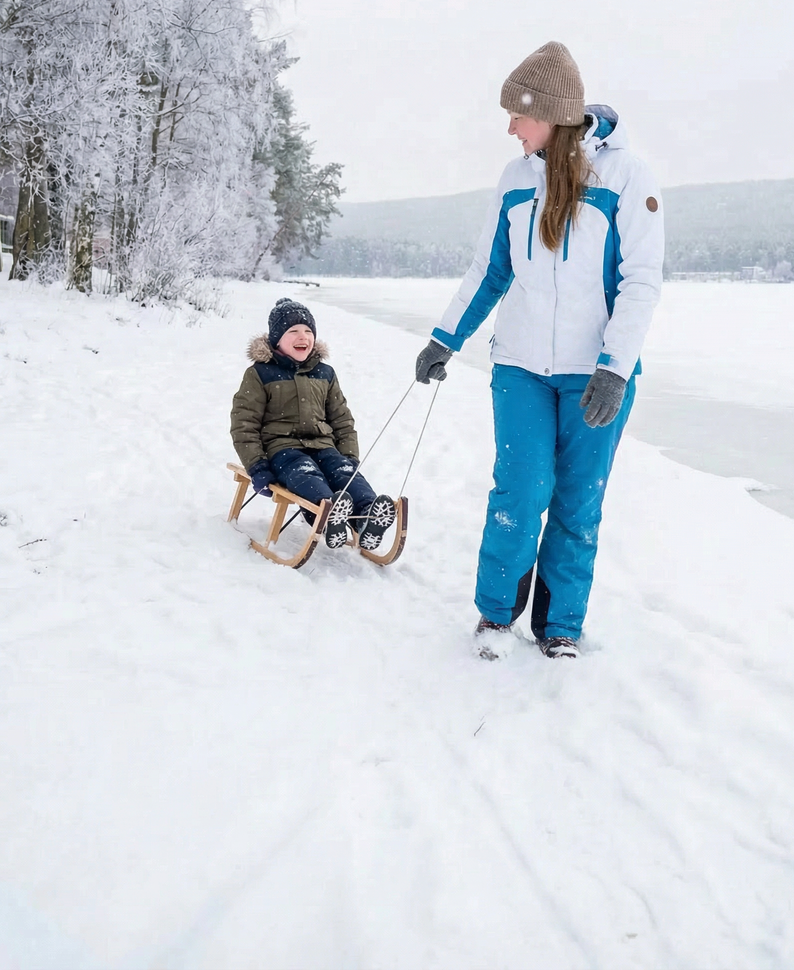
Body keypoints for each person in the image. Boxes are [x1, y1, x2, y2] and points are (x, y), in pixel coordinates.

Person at [415, 42, 664, 659]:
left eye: (517, 115)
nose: (509, 128)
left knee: (578, 501)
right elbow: (489, 270)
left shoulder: (626, 176)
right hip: (520, 367)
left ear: (550, 113)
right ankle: (496, 615)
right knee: (521, 491)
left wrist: (614, 368)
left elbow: (642, 281)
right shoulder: (516, 179)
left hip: (595, 376)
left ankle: (560, 628)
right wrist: (445, 338)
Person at [231, 298, 396, 551]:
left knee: (343, 472)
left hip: (323, 444)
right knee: (304, 472)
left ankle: (368, 517)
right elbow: (244, 424)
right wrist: (257, 467)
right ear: (276, 339)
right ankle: (328, 514)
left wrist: (349, 455)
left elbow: (341, 418)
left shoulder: (324, 373)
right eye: (293, 331)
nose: (303, 337)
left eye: (308, 331)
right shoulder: (260, 374)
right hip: (282, 449)